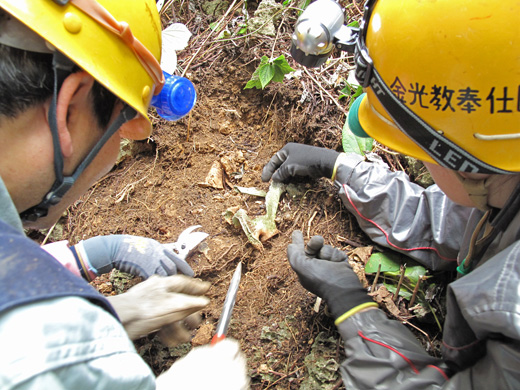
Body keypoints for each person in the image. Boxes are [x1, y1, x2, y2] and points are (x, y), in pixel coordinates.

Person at [262, 0, 520, 388]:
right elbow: (444, 220)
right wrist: (336, 165)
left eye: (418, 153)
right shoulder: (502, 178)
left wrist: (356, 311)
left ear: (467, 163)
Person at [0, 0, 249, 389]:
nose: (116, 151)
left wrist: (112, 302)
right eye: (120, 127)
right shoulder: (38, 359)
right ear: (69, 108)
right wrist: (83, 348)